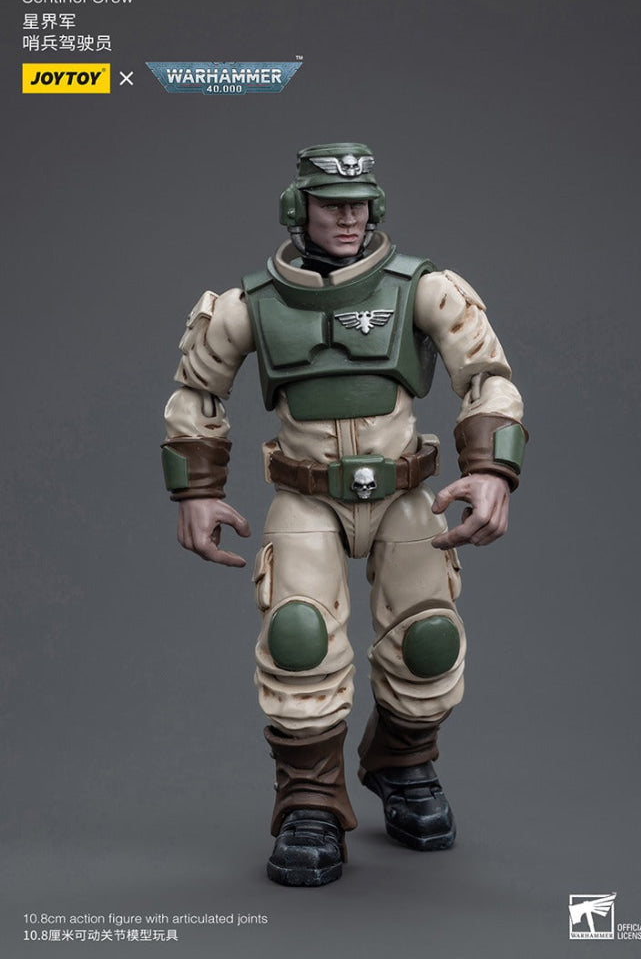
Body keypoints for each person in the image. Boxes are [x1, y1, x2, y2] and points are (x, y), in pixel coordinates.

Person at [162, 143, 527, 887]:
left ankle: (401, 763)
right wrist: (196, 491)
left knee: (428, 642)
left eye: (359, 204)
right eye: (332, 206)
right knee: (298, 640)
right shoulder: (247, 305)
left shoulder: (424, 289)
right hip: (306, 497)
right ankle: (309, 796)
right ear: (298, 210)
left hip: (404, 496)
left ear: (376, 206)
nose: (348, 218)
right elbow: (196, 394)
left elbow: (487, 377)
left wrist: (492, 471)